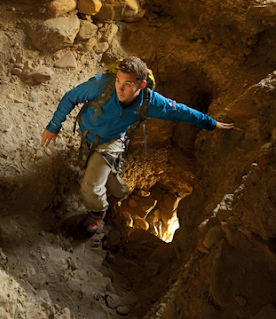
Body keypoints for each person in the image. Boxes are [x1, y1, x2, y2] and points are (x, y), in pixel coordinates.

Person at [41, 56, 234, 236]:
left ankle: (98, 213)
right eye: (118, 80)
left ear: (141, 85)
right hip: (87, 134)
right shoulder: (101, 85)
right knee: (105, 174)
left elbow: (182, 112)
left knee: (91, 185)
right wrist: (53, 126)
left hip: (111, 143)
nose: (120, 88)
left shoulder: (150, 102)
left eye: (127, 84)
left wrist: (211, 124)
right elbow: (70, 97)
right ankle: (119, 193)